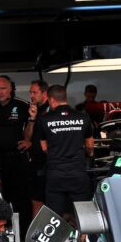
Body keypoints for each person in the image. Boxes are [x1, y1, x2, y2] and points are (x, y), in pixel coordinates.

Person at [0, 75, 33, 235]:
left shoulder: (22, 105)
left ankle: (24, 234)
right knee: (1, 198)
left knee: (21, 200)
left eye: (3, 88)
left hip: (18, 159)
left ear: (11, 88)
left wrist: (29, 141)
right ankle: (5, 232)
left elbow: (33, 127)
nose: (0, 92)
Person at [39, 85, 95, 219]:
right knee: (83, 216)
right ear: (65, 97)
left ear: (51, 99)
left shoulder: (44, 119)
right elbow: (90, 145)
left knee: (54, 217)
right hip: (78, 172)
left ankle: (58, 233)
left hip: (55, 174)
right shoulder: (83, 117)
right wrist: (89, 154)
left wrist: (57, 154)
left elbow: (44, 147)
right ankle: (82, 233)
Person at [24, 80, 50, 217]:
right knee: (36, 201)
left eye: (35, 92)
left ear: (44, 93)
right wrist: (32, 118)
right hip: (36, 163)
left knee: (54, 202)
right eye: (30, 92)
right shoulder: (32, 110)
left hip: (50, 163)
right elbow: (27, 138)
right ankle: (37, 230)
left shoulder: (52, 109)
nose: (31, 95)